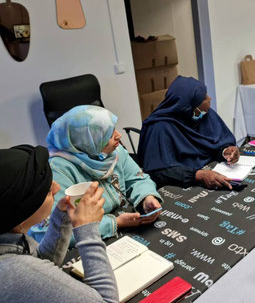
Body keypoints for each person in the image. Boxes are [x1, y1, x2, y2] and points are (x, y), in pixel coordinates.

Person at [0, 145, 119, 302]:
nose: (57, 188)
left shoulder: (8, 237)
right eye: (48, 190)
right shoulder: (12, 270)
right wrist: (88, 230)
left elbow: (39, 265)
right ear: (23, 209)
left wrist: (62, 217)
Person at [31, 105, 162, 245]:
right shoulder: (58, 171)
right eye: (108, 134)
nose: (119, 135)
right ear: (86, 140)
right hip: (89, 240)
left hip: (123, 223)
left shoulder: (114, 152)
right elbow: (48, 233)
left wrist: (147, 196)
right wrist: (115, 223)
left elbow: (137, 178)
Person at [138, 76, 240, 190]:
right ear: (190, 106)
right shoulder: (159, 128)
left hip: (212, 174)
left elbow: (215, 142)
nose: (209, 99)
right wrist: (198, 175)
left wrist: (225, 151)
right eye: (204, 98)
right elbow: (158, 173)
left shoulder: (204, 114)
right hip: (177, 187)